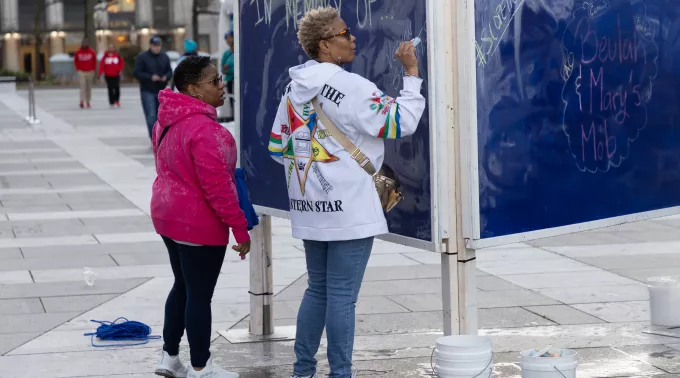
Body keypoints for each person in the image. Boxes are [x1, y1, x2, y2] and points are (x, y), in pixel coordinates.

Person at [268, 7, 425, 378]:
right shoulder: (351, 86)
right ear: (326, 44)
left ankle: (302, 370)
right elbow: (401, 121)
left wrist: (319, 169)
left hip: (310, 205)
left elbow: (278, 148)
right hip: (350, 207)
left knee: (317, 290)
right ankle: (341, 373)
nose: (353, 38)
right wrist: (412, 74)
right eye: (345, 32)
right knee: (341, 296)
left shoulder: (293, 88)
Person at [152, 56, 251, 378]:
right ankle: (200, 366)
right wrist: (240, 229)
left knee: (182, 286)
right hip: (197, 222)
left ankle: (169, 358)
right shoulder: (208, 132)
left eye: (221, 79)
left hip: (168, 214)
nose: (223, 87)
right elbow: (219, 188)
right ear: (193, 89)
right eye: (215, 82)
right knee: (199, 295)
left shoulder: (166, 119)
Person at [134, 36, 172, 139]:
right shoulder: (142, 57)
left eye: (158, 46)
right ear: (150, 45)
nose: (156, 48)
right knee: (151, 116)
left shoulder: (164, 57)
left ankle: (162, 138)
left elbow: (169, 71)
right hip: (147, 90)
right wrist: (150, 77)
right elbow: (137, 73)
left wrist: (166, 77)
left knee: (162, 116)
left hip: (161, 91)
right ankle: (154, 139)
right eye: (154, 46)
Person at [73, 38, 97, 109]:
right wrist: (77, 69)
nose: (84, 44)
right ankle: (81, 101)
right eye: (83, 43)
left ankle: (88, 101)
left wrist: (93, 69)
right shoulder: (78, 52)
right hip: (81, 71)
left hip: (90, 71)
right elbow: (76, 61)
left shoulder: (92, 52)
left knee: (88, 87)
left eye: (86, 43)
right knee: (82, 86)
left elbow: (94, 61)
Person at [99, 44, 124, 108]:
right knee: (110, 88)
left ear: (114, 49)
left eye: (112, 48)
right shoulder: (105, 57)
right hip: (108, 75)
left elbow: (121, 63)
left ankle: (117, 100)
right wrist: (100, 73)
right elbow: (102, 65)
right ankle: (111, 101)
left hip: (116, 74)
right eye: (110, 48)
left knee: (117, 87)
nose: (111, 49)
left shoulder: (117, 56)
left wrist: (119, 69)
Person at [221, 32, 235, 113]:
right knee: (232, 99)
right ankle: (233, 115)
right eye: (226, 38)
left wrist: (229, 68)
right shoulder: (226, 54)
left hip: (239, 80)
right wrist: (226, 68)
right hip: (230, 79)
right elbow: (223, 69)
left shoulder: (239, 51)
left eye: (230, 37)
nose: (228, 40)